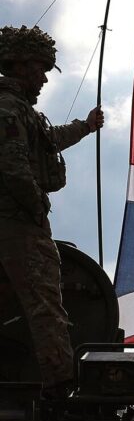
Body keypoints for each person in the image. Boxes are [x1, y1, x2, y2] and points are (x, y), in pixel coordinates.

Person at [0, 25, 103, 390]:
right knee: (46, 305)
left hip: (18, 221)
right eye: (39, 68)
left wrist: (86, 127)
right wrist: (37, 206)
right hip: (17, 224)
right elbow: (13, 168)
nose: (44, 78)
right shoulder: (8, 109)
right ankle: (60, 387)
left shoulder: (20, 111)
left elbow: (50, 140)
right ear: (18, 64)